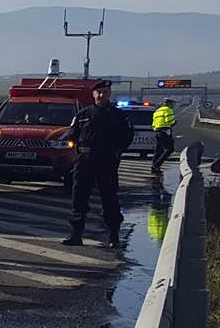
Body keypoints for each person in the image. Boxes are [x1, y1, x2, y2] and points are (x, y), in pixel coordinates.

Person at [63, 79, 134, 248]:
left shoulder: (119, 116)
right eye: (99, 92)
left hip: (107, 160)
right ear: (93, 94)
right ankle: (76, 234)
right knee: (79, 197)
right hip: (85, 161)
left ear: (109, 94)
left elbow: (127, 137)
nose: (102, 95)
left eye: (105, 92)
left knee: (109, 198)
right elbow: (72, 136)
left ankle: (113, 235)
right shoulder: (83, 115)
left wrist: (116, 151)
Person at [151, 98, 177, 179]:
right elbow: (170, 121)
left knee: (158, 150)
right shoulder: (168, 110)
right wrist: (174, 122)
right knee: (170, 149)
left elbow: (154, 124)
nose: (173, 106)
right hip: (165, 131)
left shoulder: (157, 111)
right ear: (169, 104)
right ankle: (157, 165)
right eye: (173, 104)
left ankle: (154, 168)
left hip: (157, 131)